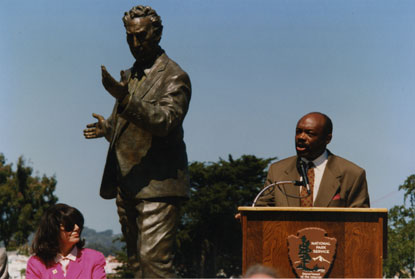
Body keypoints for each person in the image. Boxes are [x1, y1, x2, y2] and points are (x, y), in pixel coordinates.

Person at [83, 5, 191, 278]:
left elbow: (166, 121)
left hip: (158, 186)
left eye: (141, 36)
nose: (134, 43)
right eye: (129, 36)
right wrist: (109, 129)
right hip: (128, 183)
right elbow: (134, 126)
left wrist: (125, 99)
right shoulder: (131, 76)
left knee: (153, 263)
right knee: (136, 266)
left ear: (158, 33)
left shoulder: (174, 77)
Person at [257, 112, 369, 207]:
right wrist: (249, 218)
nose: (301, 137)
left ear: (327, 139)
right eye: (298, 132)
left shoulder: (352, 174)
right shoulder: (277, 171)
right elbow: (261, 210)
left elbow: (361, 223)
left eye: (309, 134)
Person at [26, 204, 106, 279]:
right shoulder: (36, 263)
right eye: (69, 225)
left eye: (79, 223)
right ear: (53, 229)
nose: (77, 228)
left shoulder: (93, 258)